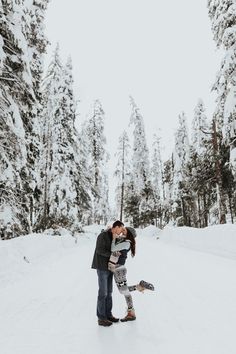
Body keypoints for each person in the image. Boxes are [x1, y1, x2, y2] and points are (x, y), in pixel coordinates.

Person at [108, 226, 154, 322]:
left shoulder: (127, 243)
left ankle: (131, 313)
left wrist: (113, 237)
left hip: (119, 269)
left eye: (124, 230)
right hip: (117, 268)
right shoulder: (123, 240)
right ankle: (138, 289)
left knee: (124, 291)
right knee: (123, 291)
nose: (122, 231)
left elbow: (113, 248)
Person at [91, 220, 124, 327]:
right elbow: (99, 250)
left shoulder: (115, 237)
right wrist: (112, 254)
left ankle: (108, 314)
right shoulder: (103, 235)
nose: (121, 231)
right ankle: (101, 318)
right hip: (101, 267)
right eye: (120, 229)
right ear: (116, 227)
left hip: (110, 267)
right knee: (103, 293)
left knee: (109, 292)